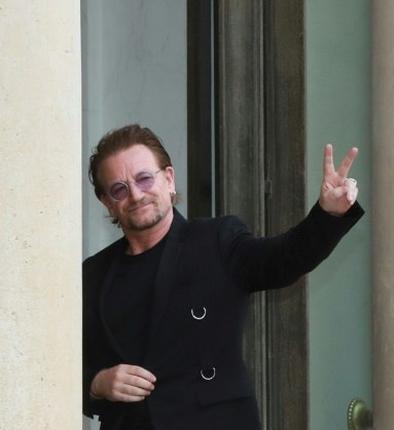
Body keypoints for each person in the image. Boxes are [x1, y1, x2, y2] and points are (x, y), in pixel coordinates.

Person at [82, 124, 363, 429]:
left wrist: (327, 214)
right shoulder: (95, 273)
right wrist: (98, 383)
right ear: (107, 202)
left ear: (169, 179)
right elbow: (63, 364)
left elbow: (285, 259)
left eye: (144, 178)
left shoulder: (215, 240)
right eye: (119, 189)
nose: (136, 195)